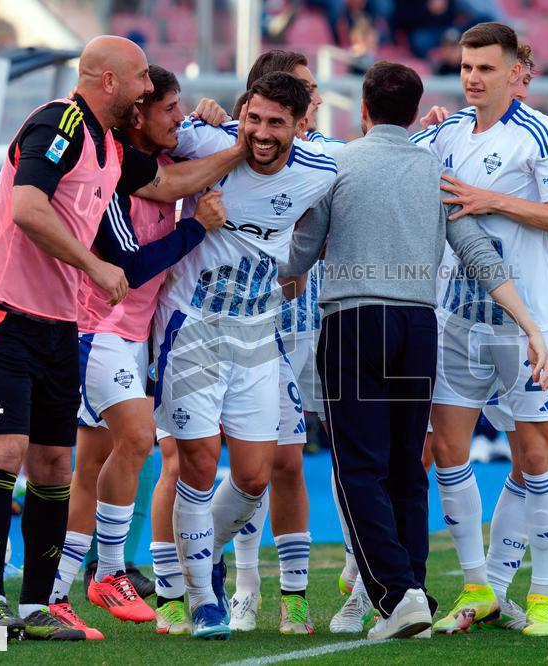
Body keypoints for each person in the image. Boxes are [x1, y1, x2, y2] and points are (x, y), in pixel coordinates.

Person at [0, 35, 244, 641]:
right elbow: (28, 207)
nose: (147, 88)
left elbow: (170, 186)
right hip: (1, 315)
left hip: (60, 324)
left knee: (57, 464)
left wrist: (244, 148)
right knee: (5, 454)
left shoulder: (113, 147)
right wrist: (94, 265)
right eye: (140, 78)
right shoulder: (56, 122)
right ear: (108, 81)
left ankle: (37, 607)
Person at [283, 60, 548, 641]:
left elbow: (301, 251)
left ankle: (393, 595)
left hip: (354, 322)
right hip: (418, 326)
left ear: (362, 109)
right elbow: (480, 255)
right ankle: (416, 592)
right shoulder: (436, 169)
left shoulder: (337, 163)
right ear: (414, 113)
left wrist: (260, 259)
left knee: (359, 465)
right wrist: (531, 324)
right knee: (407, 465)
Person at [410, 22, 548, 638]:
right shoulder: (447, 132)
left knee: (536, 458)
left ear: (516, 72)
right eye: (465, 66)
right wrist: (417, 133)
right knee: (449, 453)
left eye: (485, 68)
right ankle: (478, 586)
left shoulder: (536, 132)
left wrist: (495, 201)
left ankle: (539, 597)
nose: (472, 77)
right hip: (455, 321)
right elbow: (392, 170)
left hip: (528, 325)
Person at [45, 64, 239, 639]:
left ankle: (56, 596)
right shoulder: (108, 175)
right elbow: (125, 270)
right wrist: (194, 230)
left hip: (138, 336)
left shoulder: (164, 161)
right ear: (138, 114)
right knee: (134, 441)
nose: (178, 118)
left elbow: (213, 153)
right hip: (97, 326)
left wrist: (218, 120)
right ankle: (108, 572)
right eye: (169, 108)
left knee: (92, 469)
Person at [154, 71, 336, 640]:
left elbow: (383, 163)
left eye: (275, 123)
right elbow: (144, 132)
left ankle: (200, 553)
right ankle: (202, 598)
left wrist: (425, 132)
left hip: (259, 334)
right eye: (253, 118)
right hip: (192, 325)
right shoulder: (207, 140)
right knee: (199, 461)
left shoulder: (323, 169)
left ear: (300, 124)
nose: (259, 133)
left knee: (256, 475)